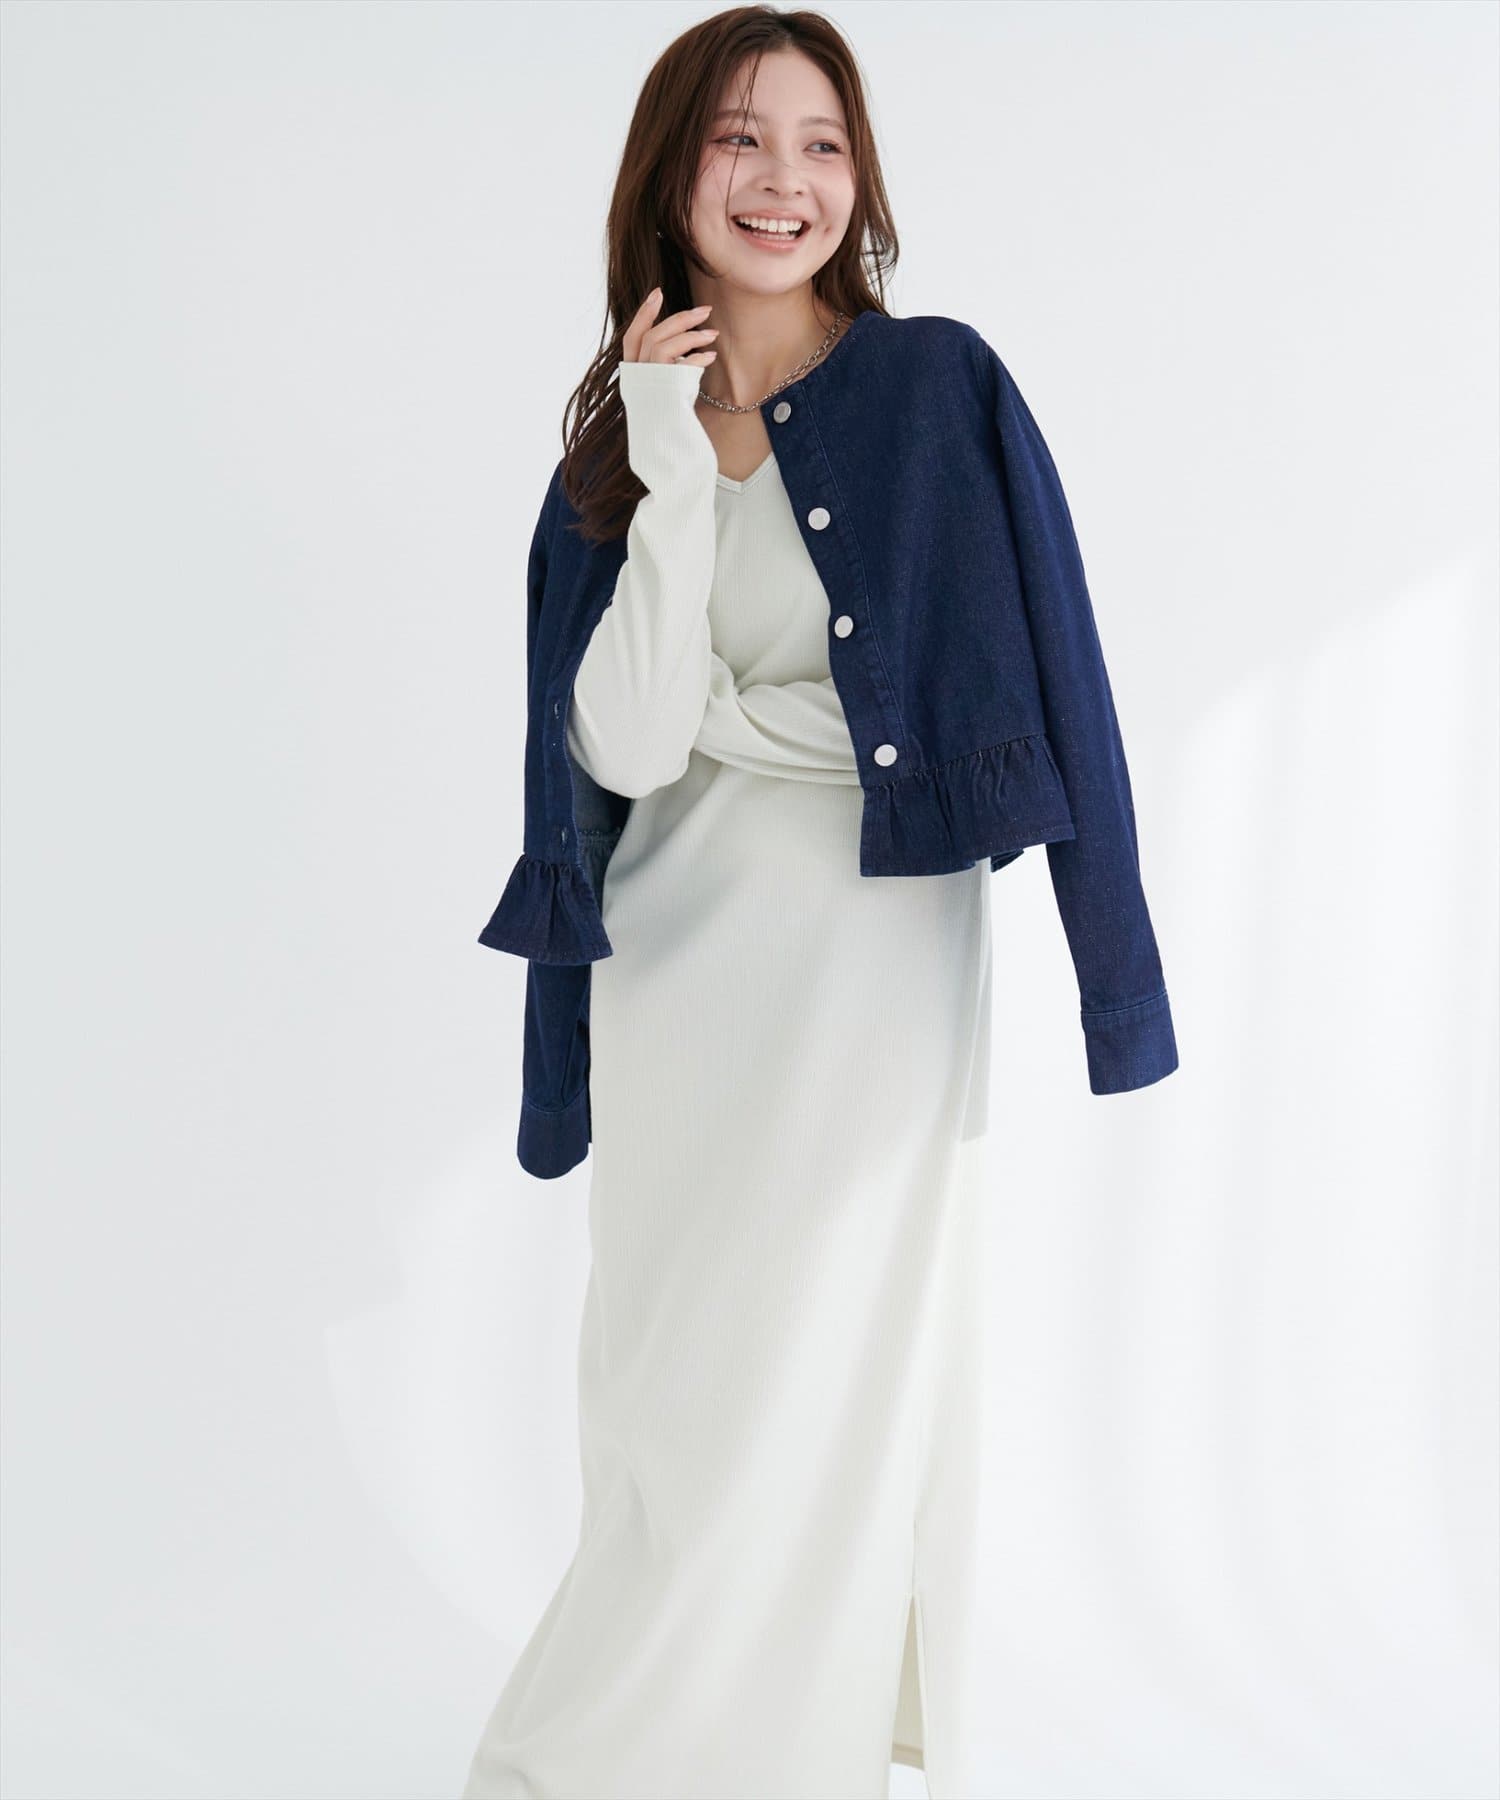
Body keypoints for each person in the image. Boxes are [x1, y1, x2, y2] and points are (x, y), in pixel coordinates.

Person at [463, 10, 1176, 1798]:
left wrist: (1118, 986)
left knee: (832, 1398)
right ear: (671, 176)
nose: (783, 180)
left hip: (877, 983)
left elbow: (1051, 698)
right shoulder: (611, 460)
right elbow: (625, 744)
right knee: (671, 1408)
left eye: (821, 143)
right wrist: (665, 453)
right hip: (677, 981)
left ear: (860, 178)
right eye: (738, 138)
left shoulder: (942, 393)